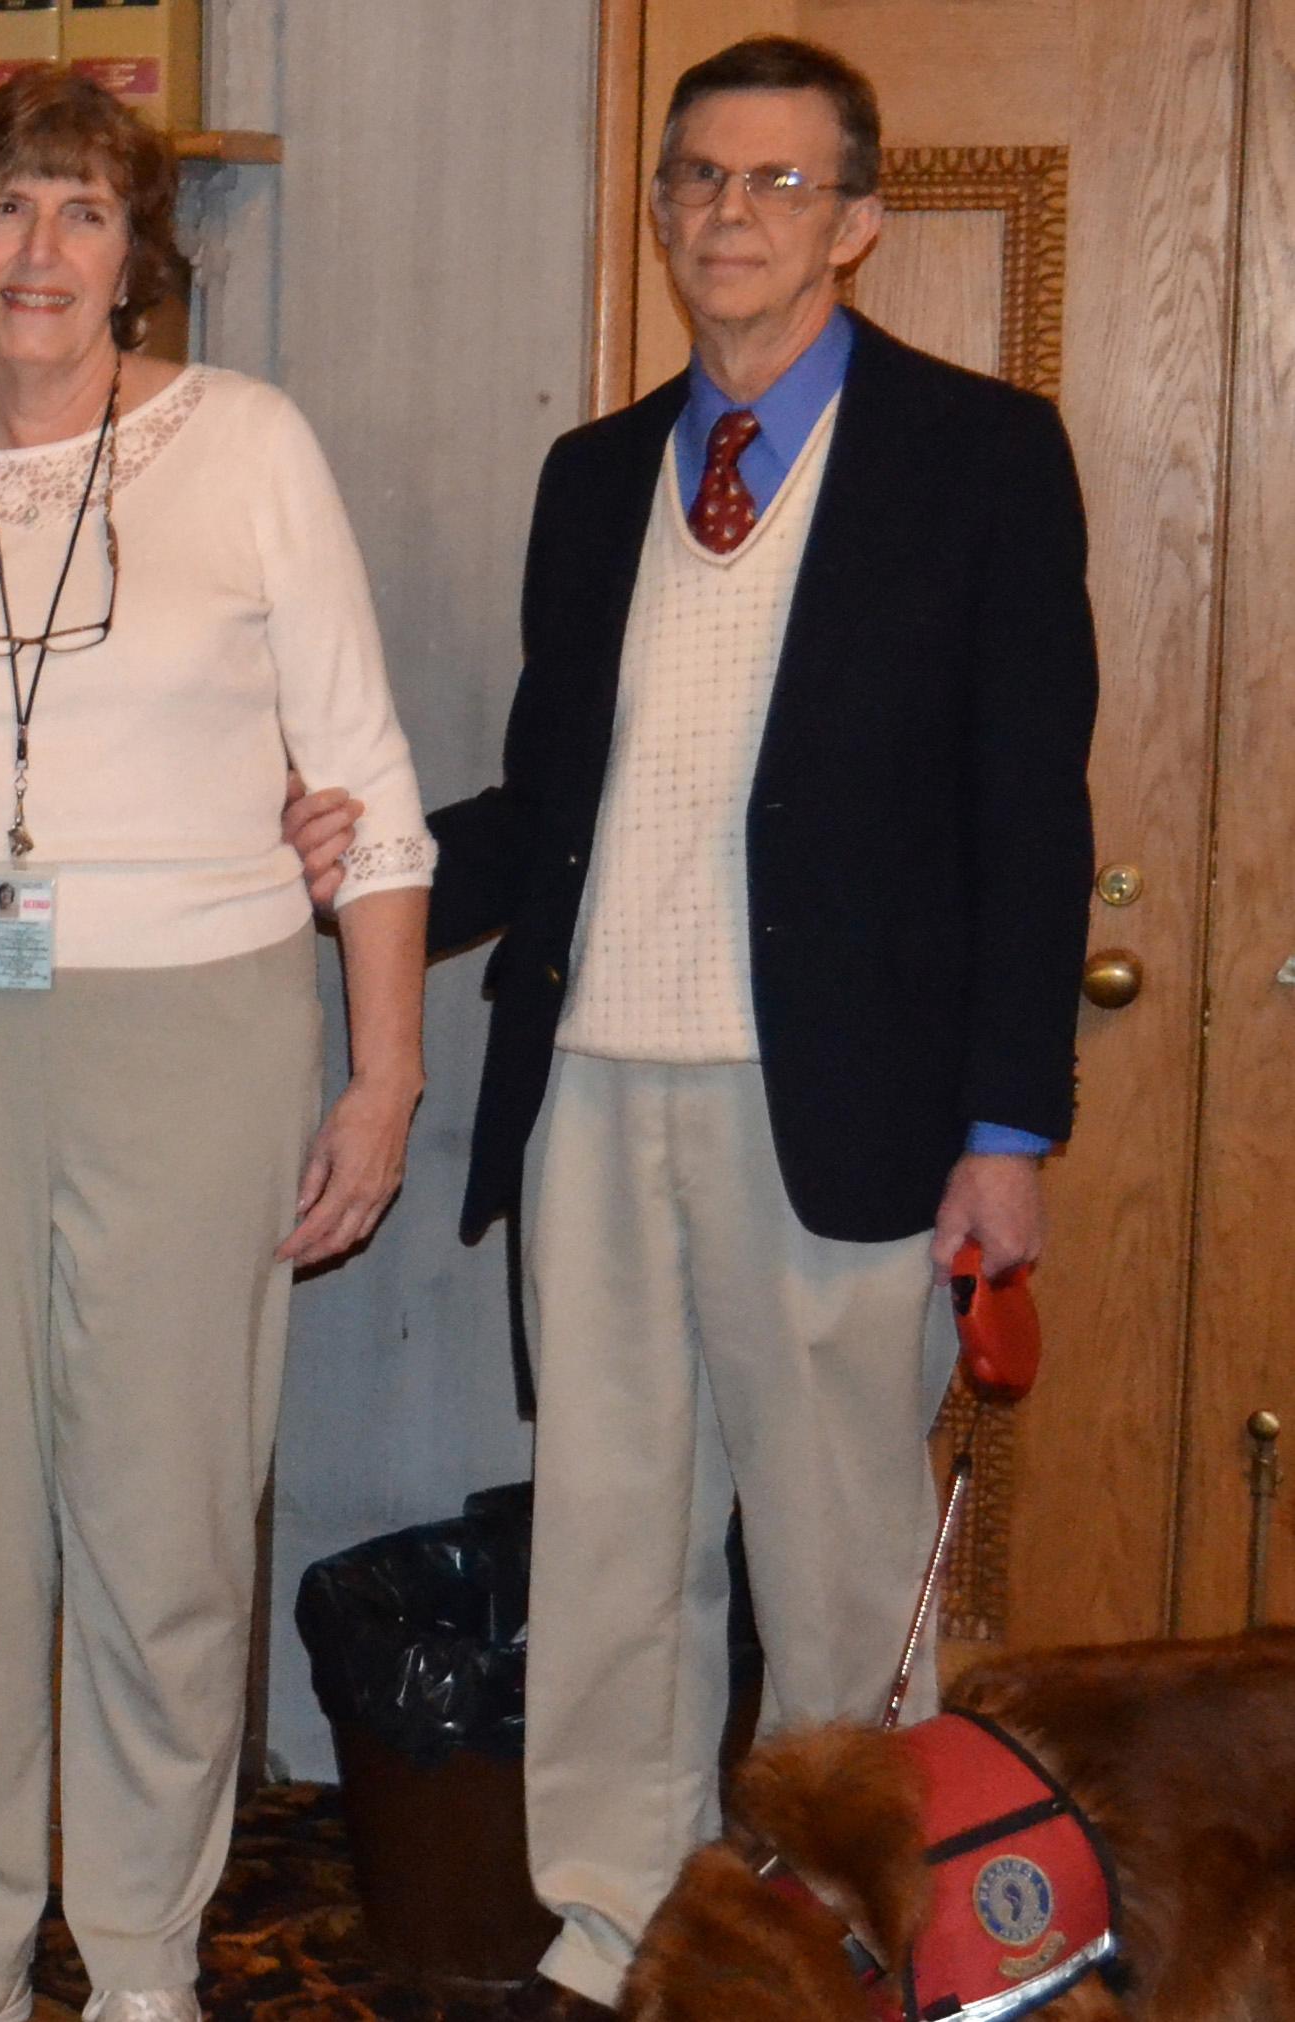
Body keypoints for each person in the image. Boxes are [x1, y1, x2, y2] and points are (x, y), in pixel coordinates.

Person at [400, 38, 1096, 2019]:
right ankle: (613, 1926)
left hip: (850, 1115)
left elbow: (1024, 818)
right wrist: (351, 873)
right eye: (695, 178)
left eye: (776, 183)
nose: (727, 215)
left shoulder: (975, 459)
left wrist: (1007, 1129)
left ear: (856, 222)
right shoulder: (590, 474)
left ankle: (850, 1933)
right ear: (661, 213)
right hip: (589, 1093)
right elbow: (551, 806)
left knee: (836, 1570)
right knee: (608, 1553)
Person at [0, 66, 436, 2022]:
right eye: (1, 209)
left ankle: (138, 1955)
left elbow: (367, 790)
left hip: (191, 1031)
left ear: (138, 256)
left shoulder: (250, 450)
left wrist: (377, 1078)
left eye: (77, 211)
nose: (36, 249)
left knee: (159, 1521)